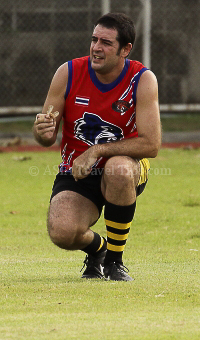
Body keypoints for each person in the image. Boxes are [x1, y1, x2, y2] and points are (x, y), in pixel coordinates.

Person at [33, 12, 161, 281]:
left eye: (106, 43)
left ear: (125, 49)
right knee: (62, 232)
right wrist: (41, 132)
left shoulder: (142, 79)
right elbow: (46, 135)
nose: (96, 48)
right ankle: (99, 250)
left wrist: (97, 150)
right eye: (94, 40)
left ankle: (115, 262)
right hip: (77, 171)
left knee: (117, 170)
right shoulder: (67, 72)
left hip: (125, 167)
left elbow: (151, 144)